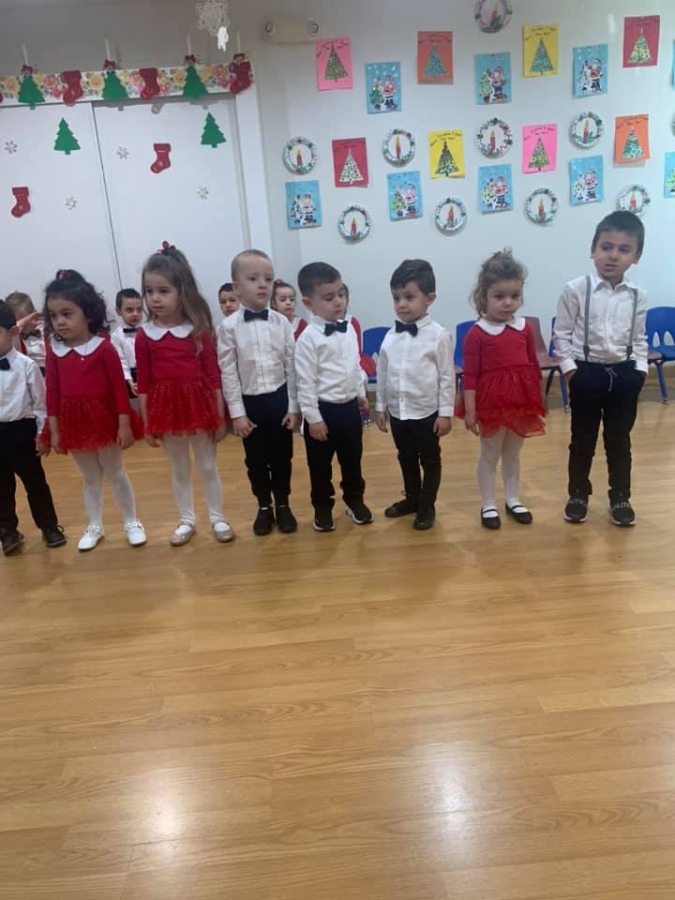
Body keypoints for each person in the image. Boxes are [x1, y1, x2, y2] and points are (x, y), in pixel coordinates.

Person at [554, 210, 648, 527]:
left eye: (624, 249)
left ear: (636, 256)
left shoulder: (638, 296)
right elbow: (561, 335)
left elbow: (639, 337)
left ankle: (620, 496)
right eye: (606, 247)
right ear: (593, 249)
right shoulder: (575, 289)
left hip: (624, 374)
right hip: (587, 373)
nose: (613, 255)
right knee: (582, 440)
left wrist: (640, 372)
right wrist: (571, 372)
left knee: (619, 441)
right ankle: (578, 494)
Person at [136, 243, 234, 546]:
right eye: (149, 291)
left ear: (182, 291)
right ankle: (187, 519)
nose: (155, 298)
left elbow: (214, 376)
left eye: (163, 291)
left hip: (199, 406)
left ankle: (217, 517)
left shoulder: (198, 330)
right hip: (166, 409)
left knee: (207, 465)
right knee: (179, 469)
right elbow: (144, 384)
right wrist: (147, 423)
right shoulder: (144, 336)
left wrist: (219, 416)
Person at [43, 269, 146, 551]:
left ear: (87, 314)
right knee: (89, 478)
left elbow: (118, 390)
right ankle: (95, 525)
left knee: (115, 472)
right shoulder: (54, 351)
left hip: (104, 419)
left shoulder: (104, 348)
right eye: (54, 316)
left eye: (66, 314)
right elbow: (52, 392)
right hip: (73, 422)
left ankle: (131, 521)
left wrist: (124, 424)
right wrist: (54, 430)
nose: (59, 321)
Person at [459, 251, 545, 530]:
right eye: (499, 296)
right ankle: (488, 504)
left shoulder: (525, 328)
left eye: (515, 296)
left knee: (513, 453)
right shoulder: (476, 333)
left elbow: (533, 365)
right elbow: (470, 376)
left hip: (520, 402)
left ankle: (513, 499)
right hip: (491, 406)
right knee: (490, 454)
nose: (508, 302)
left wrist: (537, 399)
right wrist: (471, 411)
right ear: (483, 296)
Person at [218, 250, 300, 536]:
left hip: (279, 400)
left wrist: (294, 407)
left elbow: (291, 367)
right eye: (253, 279)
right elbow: (228, 372)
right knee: (255, 460)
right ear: (237, 288)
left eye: (267, 278)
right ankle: (264, 505)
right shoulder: (228, 327)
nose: (262, 284)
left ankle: (283, 504)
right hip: (249, 404)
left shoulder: (282, 323)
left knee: (282, 458)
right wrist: (237, 414)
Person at [375, 259, 454, 530]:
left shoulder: (439, 336)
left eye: (409, 297)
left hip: (426, 412)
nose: (401, 304)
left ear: (429, 299)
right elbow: (383, 373)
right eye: (396, 298)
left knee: (430, 460)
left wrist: (445, 413)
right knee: (405, 457)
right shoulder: (390, 336)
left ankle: (427, 504)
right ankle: (412, 498)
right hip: (399, 412)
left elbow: (447, 377)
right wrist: (380, 407)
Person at [295, 261, 372, 532]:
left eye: (341, 294)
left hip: (349, 408)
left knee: (352, 460)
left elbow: (354, 365)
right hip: (322, 412)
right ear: (309, 303)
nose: (338, 301)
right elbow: (305, 383)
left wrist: (360, 393)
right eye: (329, 298)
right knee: (320, 467)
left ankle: (354, 500)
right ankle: (322, 507)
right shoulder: (307, 339)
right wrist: (313, 419)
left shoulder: (349, 328)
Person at [0, 300, 66, 556]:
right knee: (2, 488)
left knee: (35, 483)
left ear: (13, 332)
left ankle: (49, 526)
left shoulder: (26, 365)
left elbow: (40, 404)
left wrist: (42, 434)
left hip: (22, 432)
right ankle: (8, 531)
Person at [111, 288, 143, 397]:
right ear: (119, 311)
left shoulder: (146, 331)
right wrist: (130, 381)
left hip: (147, 373)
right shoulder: (116, 336)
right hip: (129, 377)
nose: (135, 314)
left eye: (139, 309)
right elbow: (121, 361)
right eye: (129, 310)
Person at [5, 290, 46, 374]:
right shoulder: (13, 337)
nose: (22, 326)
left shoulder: (46, 331)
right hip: (25, 376)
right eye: (16, 322)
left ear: (34, 314)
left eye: (24, 320)